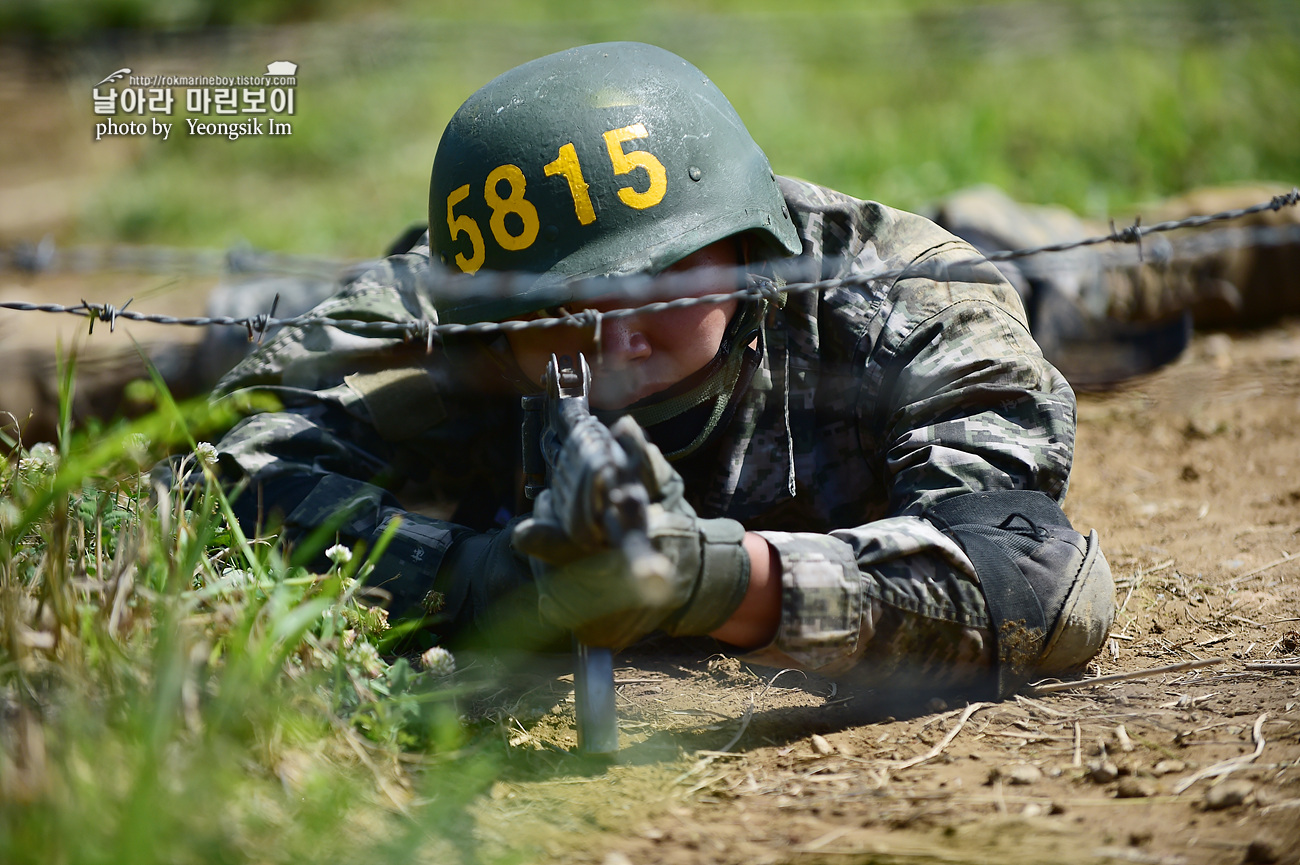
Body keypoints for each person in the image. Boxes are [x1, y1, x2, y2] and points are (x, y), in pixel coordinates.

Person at [194, 41, 1116, 700]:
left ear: (743, 251)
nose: (611, 337)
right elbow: (227, 483)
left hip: (1002, 271)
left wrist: (721, 581)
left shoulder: (895, 292)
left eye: (651, 284)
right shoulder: (445, 302)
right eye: (561, 308)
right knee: (213, 340)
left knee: (1084, 279)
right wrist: (496, 584)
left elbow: (1033, 575)